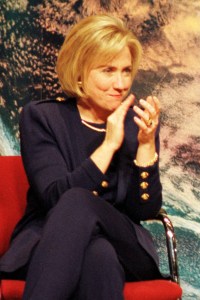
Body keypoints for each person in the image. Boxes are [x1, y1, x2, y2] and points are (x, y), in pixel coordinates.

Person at [0, 15, 166, 299]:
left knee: (82, 205)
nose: (120, 83)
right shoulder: (43, 117)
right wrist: (109, 145)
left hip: (124, 242)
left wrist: (146, 143)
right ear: (79, 72)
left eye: (126, 71)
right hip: (50, 240)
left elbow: (144, 211)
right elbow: (54, 198)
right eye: (108, 70)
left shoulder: (135, 121)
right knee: (98, 254)